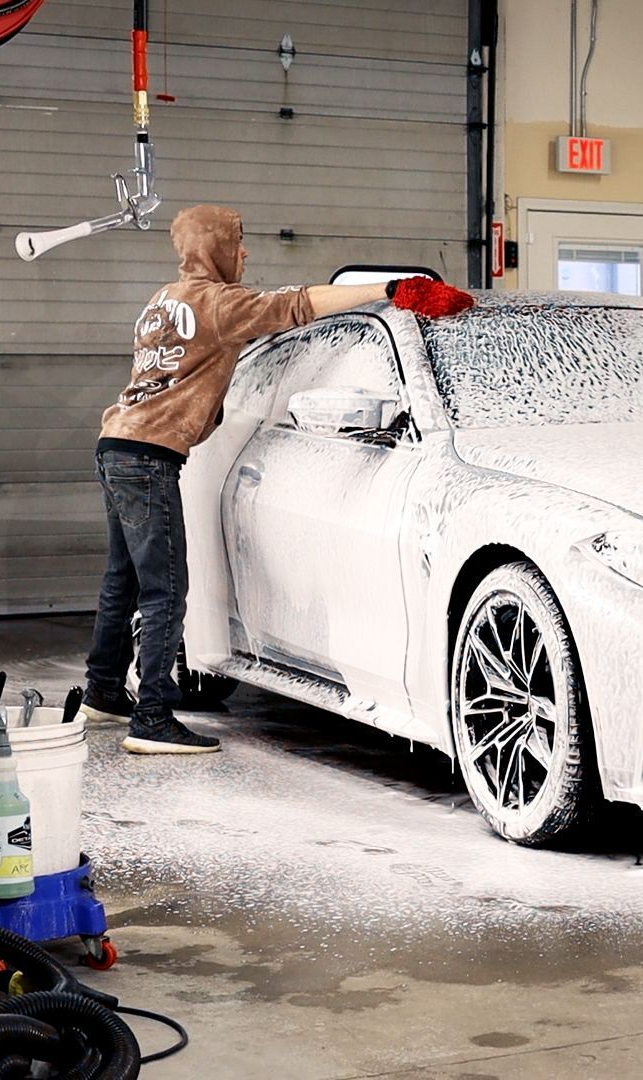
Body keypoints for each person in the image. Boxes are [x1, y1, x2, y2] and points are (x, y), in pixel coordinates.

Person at [80, 204, 474, 753]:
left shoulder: (161, 301)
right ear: (214, 248)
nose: (245, 253)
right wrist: (389, 287)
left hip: (116, 442)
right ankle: (150, 718)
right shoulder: (218, 303)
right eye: (238, 243)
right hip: (149, 456)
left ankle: (101, 693)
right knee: (165, 588)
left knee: (123, 580)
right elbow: (298, 305)